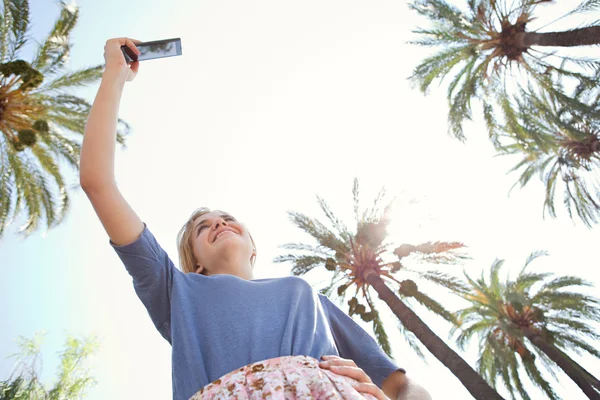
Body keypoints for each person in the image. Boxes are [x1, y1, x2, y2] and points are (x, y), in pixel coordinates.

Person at [80, 38, 432, 400]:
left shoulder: (308, 299)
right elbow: (98, 183)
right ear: (195, 263)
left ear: (253, 247)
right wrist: (115, 73)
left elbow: (401, 384)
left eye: (227, 218)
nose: (218, 224)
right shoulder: (175, 291)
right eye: (203, 228)